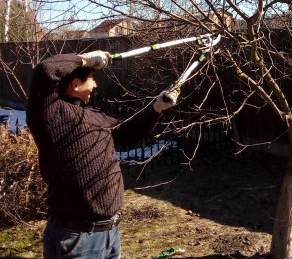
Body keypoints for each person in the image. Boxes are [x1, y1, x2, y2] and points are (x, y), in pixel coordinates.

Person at [26, 50, 179, 259]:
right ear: (76, 84)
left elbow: (129, 133)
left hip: (110, 234)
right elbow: (45, 70)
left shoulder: (94, 116)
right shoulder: (51, 114)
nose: (96, 85)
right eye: (92, 78)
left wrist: (157, 108)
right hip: (75, 238)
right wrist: (85, 59)